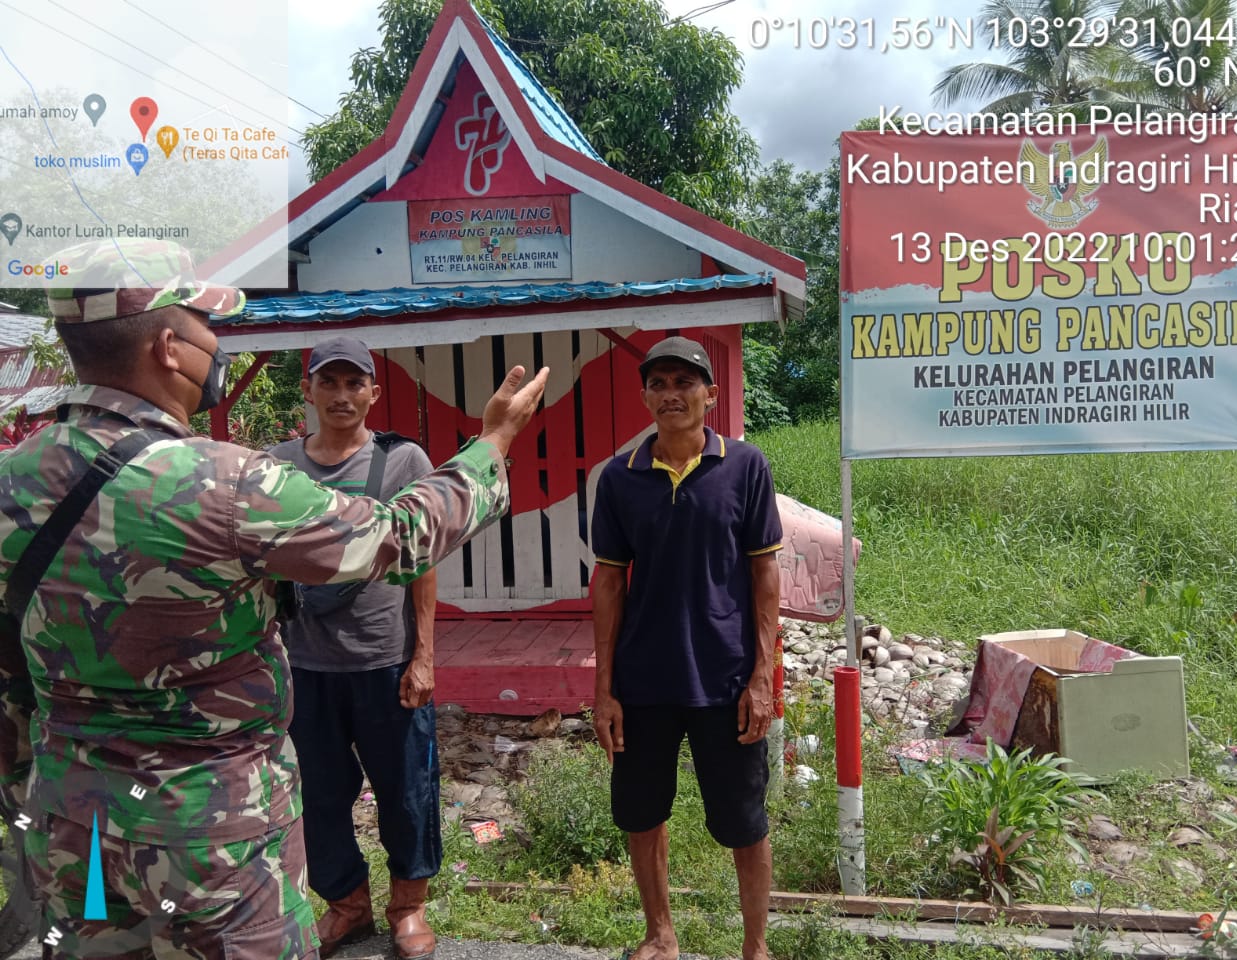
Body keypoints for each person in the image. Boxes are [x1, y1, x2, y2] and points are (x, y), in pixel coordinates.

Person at [0, 239, 547, 960]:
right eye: (207, 326)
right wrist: (494, 443)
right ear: (170, 347)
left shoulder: (13, 479)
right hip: (211, 849)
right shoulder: (227, 484)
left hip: (72, 831)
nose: (216, 345)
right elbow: (397, 537)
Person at [590, 336, 782, 960]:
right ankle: (660, 934)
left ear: (711, 394)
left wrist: (763, 675)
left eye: (685, 382)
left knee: (742, 822)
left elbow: (764, 576)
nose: (672, 393)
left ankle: (755, 946)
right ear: (645, 395)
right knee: (641, 815)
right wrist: (603, 688)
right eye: (659, 383)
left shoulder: (745, 467)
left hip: (726, 679)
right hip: (643, 680)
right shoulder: (620, 479)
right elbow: (611, 580)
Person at [268, 336, 443, 960]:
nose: (341, 395)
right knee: (317, 794)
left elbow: (422, 562)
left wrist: (424, 654)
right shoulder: (278, 466)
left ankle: (409, 907)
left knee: (406, 790)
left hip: (386, 661)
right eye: (329, 382)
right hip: (304, 666)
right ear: (308, 389)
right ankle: (346, 904)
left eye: (354, 383)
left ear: (373, 391)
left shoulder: (403, 463)